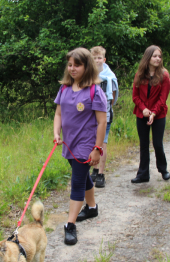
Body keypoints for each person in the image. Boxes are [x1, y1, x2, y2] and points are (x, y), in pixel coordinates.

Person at [53, 47, 107, 245]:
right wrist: (56, 133)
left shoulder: (95, 91)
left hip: (86, 144)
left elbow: (102, 122)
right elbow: (58, 114)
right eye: (70, 65)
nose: (72, 69)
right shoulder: (64, 89)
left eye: (77, 65)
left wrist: (97, 149)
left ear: (87, 66)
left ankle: (70, 225)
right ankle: (92, 208)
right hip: (69, 143)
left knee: (76, 182)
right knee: (82, 177)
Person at [131, 45, 170, 183]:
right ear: (148, 58)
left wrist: (153, 112)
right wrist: (143, 109)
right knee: (143, 144)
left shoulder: (164, 75)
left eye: (159, 56)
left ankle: (163, 169)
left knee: (157, 143)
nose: (158, 59)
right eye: (154, 56)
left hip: (158, 114)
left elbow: (163, 98)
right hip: (142, 114)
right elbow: (135, 97)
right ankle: (143, 174)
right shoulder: (139, 75)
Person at [89, 46, 118, 188]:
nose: (96, 60)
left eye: (99, 58)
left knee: (103, 143)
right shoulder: (88, 75)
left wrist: (106, 110)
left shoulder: (110, 76)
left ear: (104, 59)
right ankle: (94, 170)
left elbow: (112, 96)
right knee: (94, 142)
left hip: (105, 113)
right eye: (94, 58)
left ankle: (101, 173)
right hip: (91, 115)